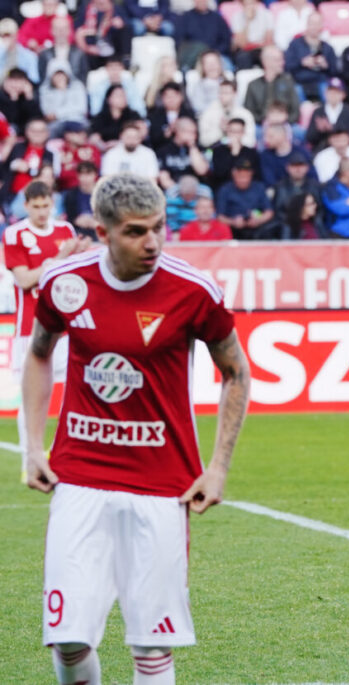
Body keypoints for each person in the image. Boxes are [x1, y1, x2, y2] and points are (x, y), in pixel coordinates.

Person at [22, 172, 250, 685]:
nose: (152, 242)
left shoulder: (194, 290)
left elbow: (236, 372)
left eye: (158, 228)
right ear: (103, 232)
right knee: (68, 639)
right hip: (79, 479)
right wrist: (33, 447)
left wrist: (218, 467)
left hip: (162, 485)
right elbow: (38, 354)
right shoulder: (65, 283)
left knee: (151, 645)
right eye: (135, 231)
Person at [4, 180, 85, 481]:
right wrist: (60, 258)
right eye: (35, 207)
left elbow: (74, 276)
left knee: (76, 393)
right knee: (31, 397)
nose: (41, 212)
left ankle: (64, 455)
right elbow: (25, 280)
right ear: (26, 206)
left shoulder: (65, 231)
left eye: (45, 206)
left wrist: (78, 255)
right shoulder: (15, 234)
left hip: (65, 328)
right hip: (30, 329)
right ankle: (30, 460)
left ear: (53, 204)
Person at [216, 158, 275, 239]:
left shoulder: (259, 187)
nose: (243, 180)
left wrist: (259, 220)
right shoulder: (225, 190)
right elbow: (220, 217)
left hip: (257, 229)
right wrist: (233, 222)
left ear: (251, 174)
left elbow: (269, 212)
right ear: (234, 174)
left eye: (246, 176)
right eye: (240, 176)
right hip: (233, 231)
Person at [286, 12, 339, 103]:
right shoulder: (295, 44)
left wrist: (326, 65)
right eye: (312, 23)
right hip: (299, 82)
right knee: (294, 92)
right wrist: (302, 63)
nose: (314, 27)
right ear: (307, 24)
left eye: (317, 23)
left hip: (321, 83)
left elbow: (335, 72)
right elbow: (287, 67)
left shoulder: (327, 48)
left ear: (322, 26)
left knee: (330, 93)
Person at [243, 45, 300, 124]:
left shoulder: (288, 81)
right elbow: (248, 112)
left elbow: (295, 110)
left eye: (282, 59)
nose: (282, 63)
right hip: (260, 125)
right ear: (266, 62)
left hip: (286, 124)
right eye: (278, 60)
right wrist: (264, 120)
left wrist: (284, 119)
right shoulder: (253, 85)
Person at [73, 0, 132, 71]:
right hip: (95, 50)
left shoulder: (118, 11)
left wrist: (120, 24)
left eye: (102, 4)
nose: (99, 6)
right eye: (97, 3)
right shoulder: (90, 11)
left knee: (125, 30)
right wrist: (88, 47)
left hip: (113, 50)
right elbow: (78, 28)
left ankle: (125, 60)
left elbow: (127, 26)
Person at [198, 80, 257, 150]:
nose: (222, 96)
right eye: (220, 93)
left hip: (240, 152)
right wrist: (220, 131)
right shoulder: (208, 113)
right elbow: (203, 141)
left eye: (226, 93)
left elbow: (251, 142)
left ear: (235, 94)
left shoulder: (245, 115)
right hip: (215, 151)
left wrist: (234, 135)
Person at [174, 0, 232, 69]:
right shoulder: (185, 18)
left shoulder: (217, 18)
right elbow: (179, 41)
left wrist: (214, 52)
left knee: (227, 66)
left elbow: (226, 40)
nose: (201, 1)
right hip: (193, 57)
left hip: (215, 54)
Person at [156, 117, 210, 190]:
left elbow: (201, 171)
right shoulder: (164, 151)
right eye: (189, 132)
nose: (194, 136)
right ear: (179, 131)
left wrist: (192, 147)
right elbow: (164, 179)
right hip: (173, 189)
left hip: (196, 188)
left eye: (194, 132)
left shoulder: (199, 149)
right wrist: (179, 191)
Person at [306, 79, 349, 152]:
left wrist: (332, 129)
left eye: (337, 92)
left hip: (344, 149)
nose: (333, 95)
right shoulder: (318, 111)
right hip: (322, 149)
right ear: (325, 93)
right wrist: (320, 130)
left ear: (343, 95)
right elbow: (310, 137)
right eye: (331, 92)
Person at [209, 117, 261, 190]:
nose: (235, 135)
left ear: (243, 133)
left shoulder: (251, 153)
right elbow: (219, 175)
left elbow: (256, 176)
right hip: (224, 190)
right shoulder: (218, 151)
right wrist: (233, 155)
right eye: (232, 131)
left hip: (247, 190)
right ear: (227, 132)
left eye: (238, 132)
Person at [230, 0, 274, 70]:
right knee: (243, 57)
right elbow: (242, 44)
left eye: (252, 3)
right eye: (247, 4)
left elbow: (268, 41)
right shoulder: (236, 17)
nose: (250, 7)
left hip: (262, 49)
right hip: (246, 51)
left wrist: (256, 45)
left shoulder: (267, 14)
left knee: (270, 55)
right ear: (242, 5)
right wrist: (247, 21)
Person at [63, 161, 100, 239]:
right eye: (82, 174)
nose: (85, 178)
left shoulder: (102, 194)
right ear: (78, 176)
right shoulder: (71, 195)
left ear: (95, 174)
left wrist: (96, 223)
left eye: (88, 174)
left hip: (98, 231)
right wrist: (76, 220)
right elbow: (69, 217)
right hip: (78, 232)